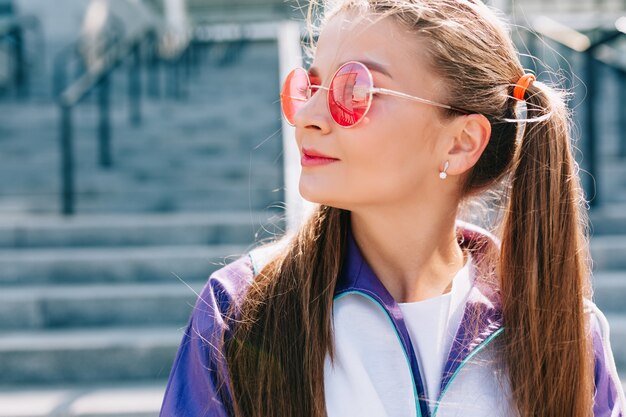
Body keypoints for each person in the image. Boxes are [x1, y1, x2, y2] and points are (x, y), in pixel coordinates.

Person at [159, 0, 626, 416]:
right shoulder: (242, 309)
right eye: (310, 86)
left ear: (461, 143)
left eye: (355, 91)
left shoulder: (564, 331)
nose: (306, 117)